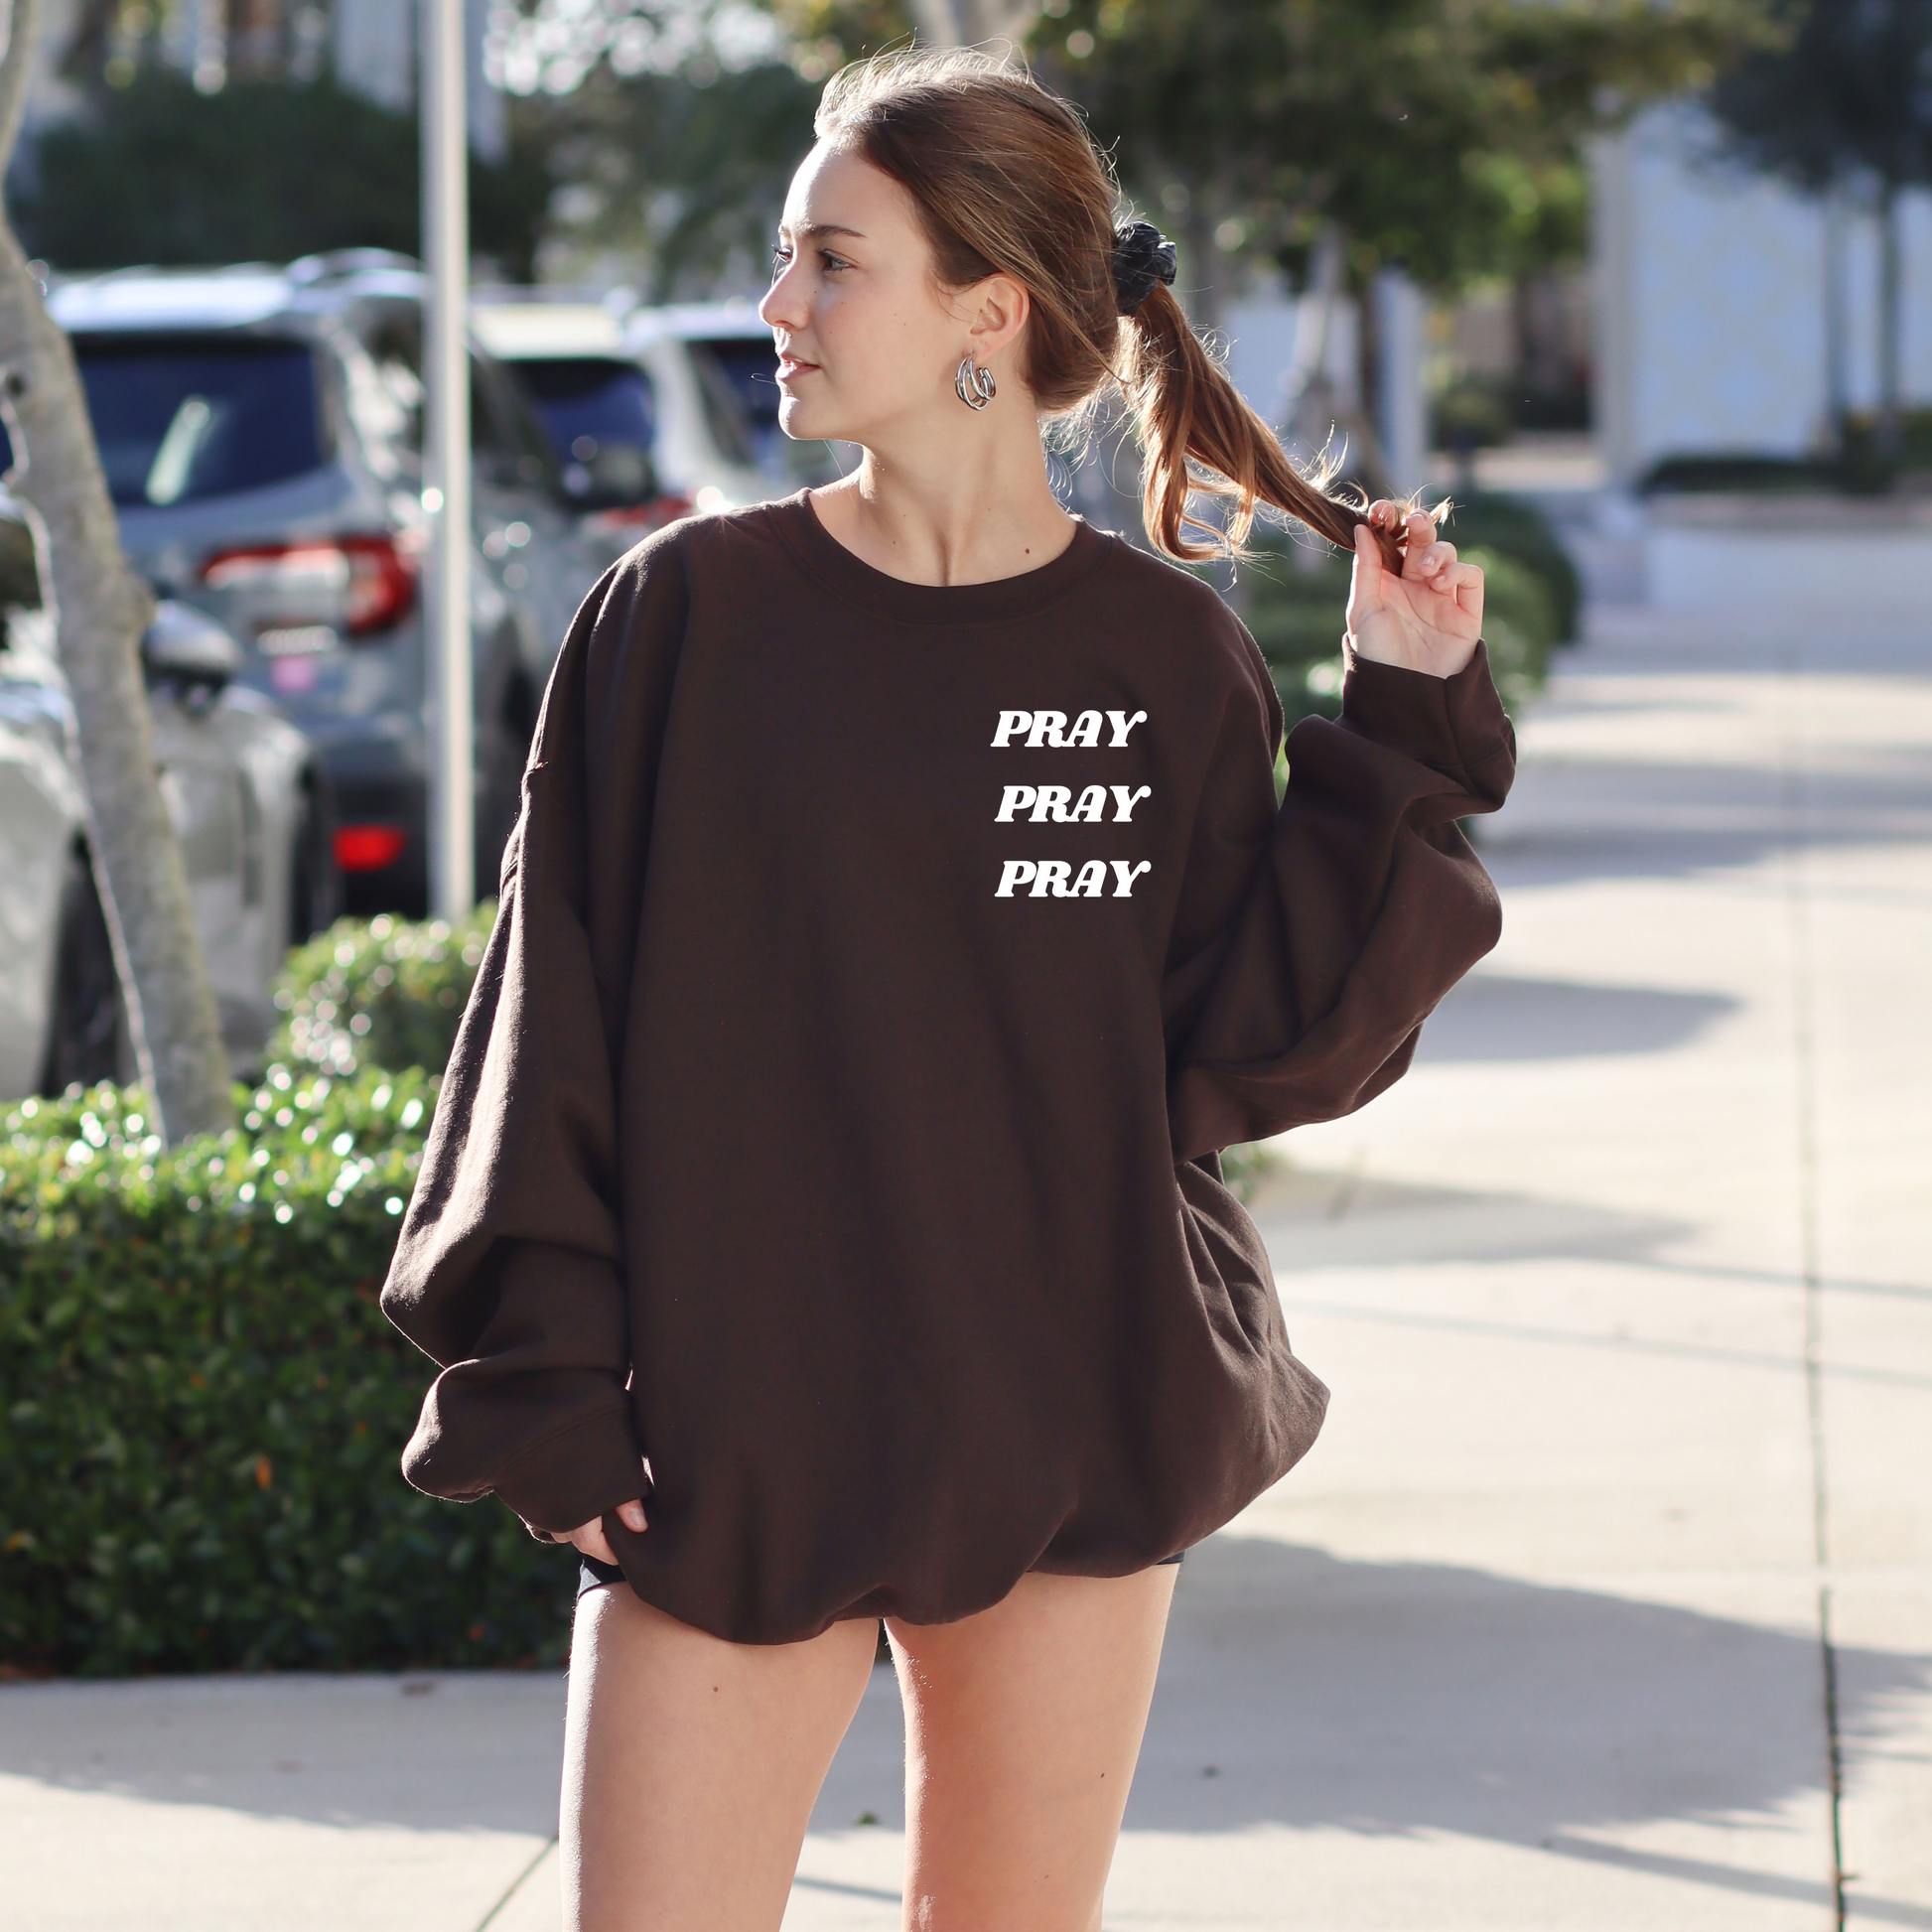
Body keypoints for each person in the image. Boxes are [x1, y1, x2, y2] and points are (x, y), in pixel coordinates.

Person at [380, 47, 1514, 1932]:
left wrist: (1400, 712)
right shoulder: (681, 620)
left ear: (988, 314)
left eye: (832, 261)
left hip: (1069, 1402)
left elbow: (1249, 1043)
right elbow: (546, 1015)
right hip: (733, 1421)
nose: (777, 305)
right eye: (785, 256)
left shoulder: (1163, 658)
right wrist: (546, 1372)